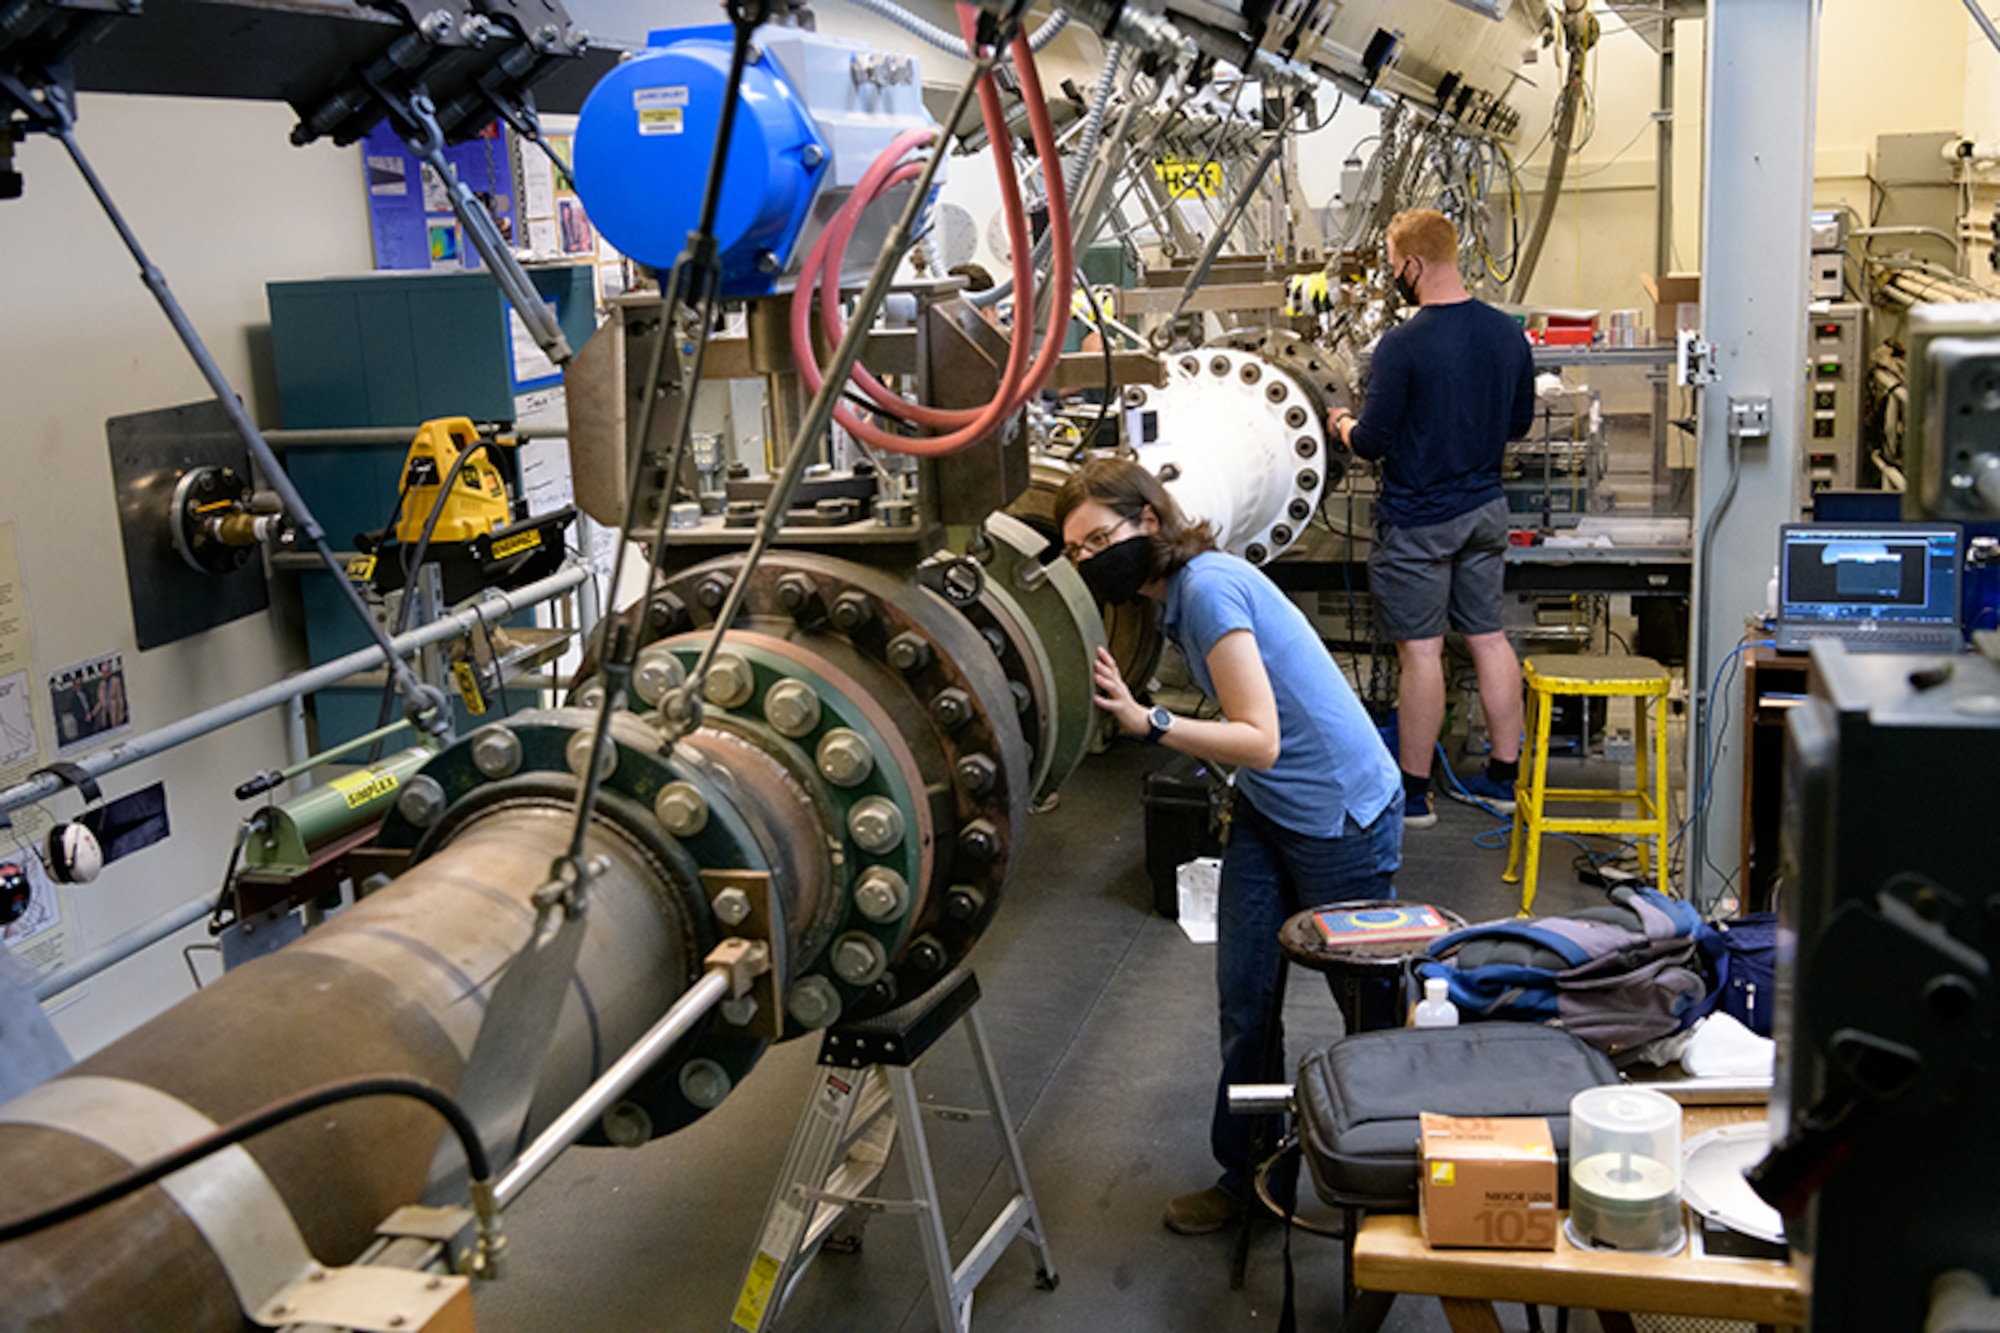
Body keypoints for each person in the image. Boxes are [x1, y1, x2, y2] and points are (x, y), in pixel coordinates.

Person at [1054, 458, 1403, 1236]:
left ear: (1148, 519)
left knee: (1367, 1008)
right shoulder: (1171, 597)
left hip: (1341, 815)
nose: (1089, 560)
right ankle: (1250, 1175)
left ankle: (1389, 1185)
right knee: (1247, 1002)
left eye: (1099, 539)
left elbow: (1261, 737)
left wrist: (1152, 722)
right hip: (1271, 809)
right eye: (1075, 552)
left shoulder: (1207, 588)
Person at [1326, 207, 1536, 828]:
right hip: (1484, 512)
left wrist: (1341, 423)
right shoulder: (1507, 334)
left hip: (1418, 521)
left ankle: (1414, 795)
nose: (1395, 275)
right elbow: (1519, 424)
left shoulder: (1403, 345)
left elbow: (1372, 442)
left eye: (1394, 266)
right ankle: (1503, 778)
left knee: (1421, 654)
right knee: (1488, 637)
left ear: (1412, 264)